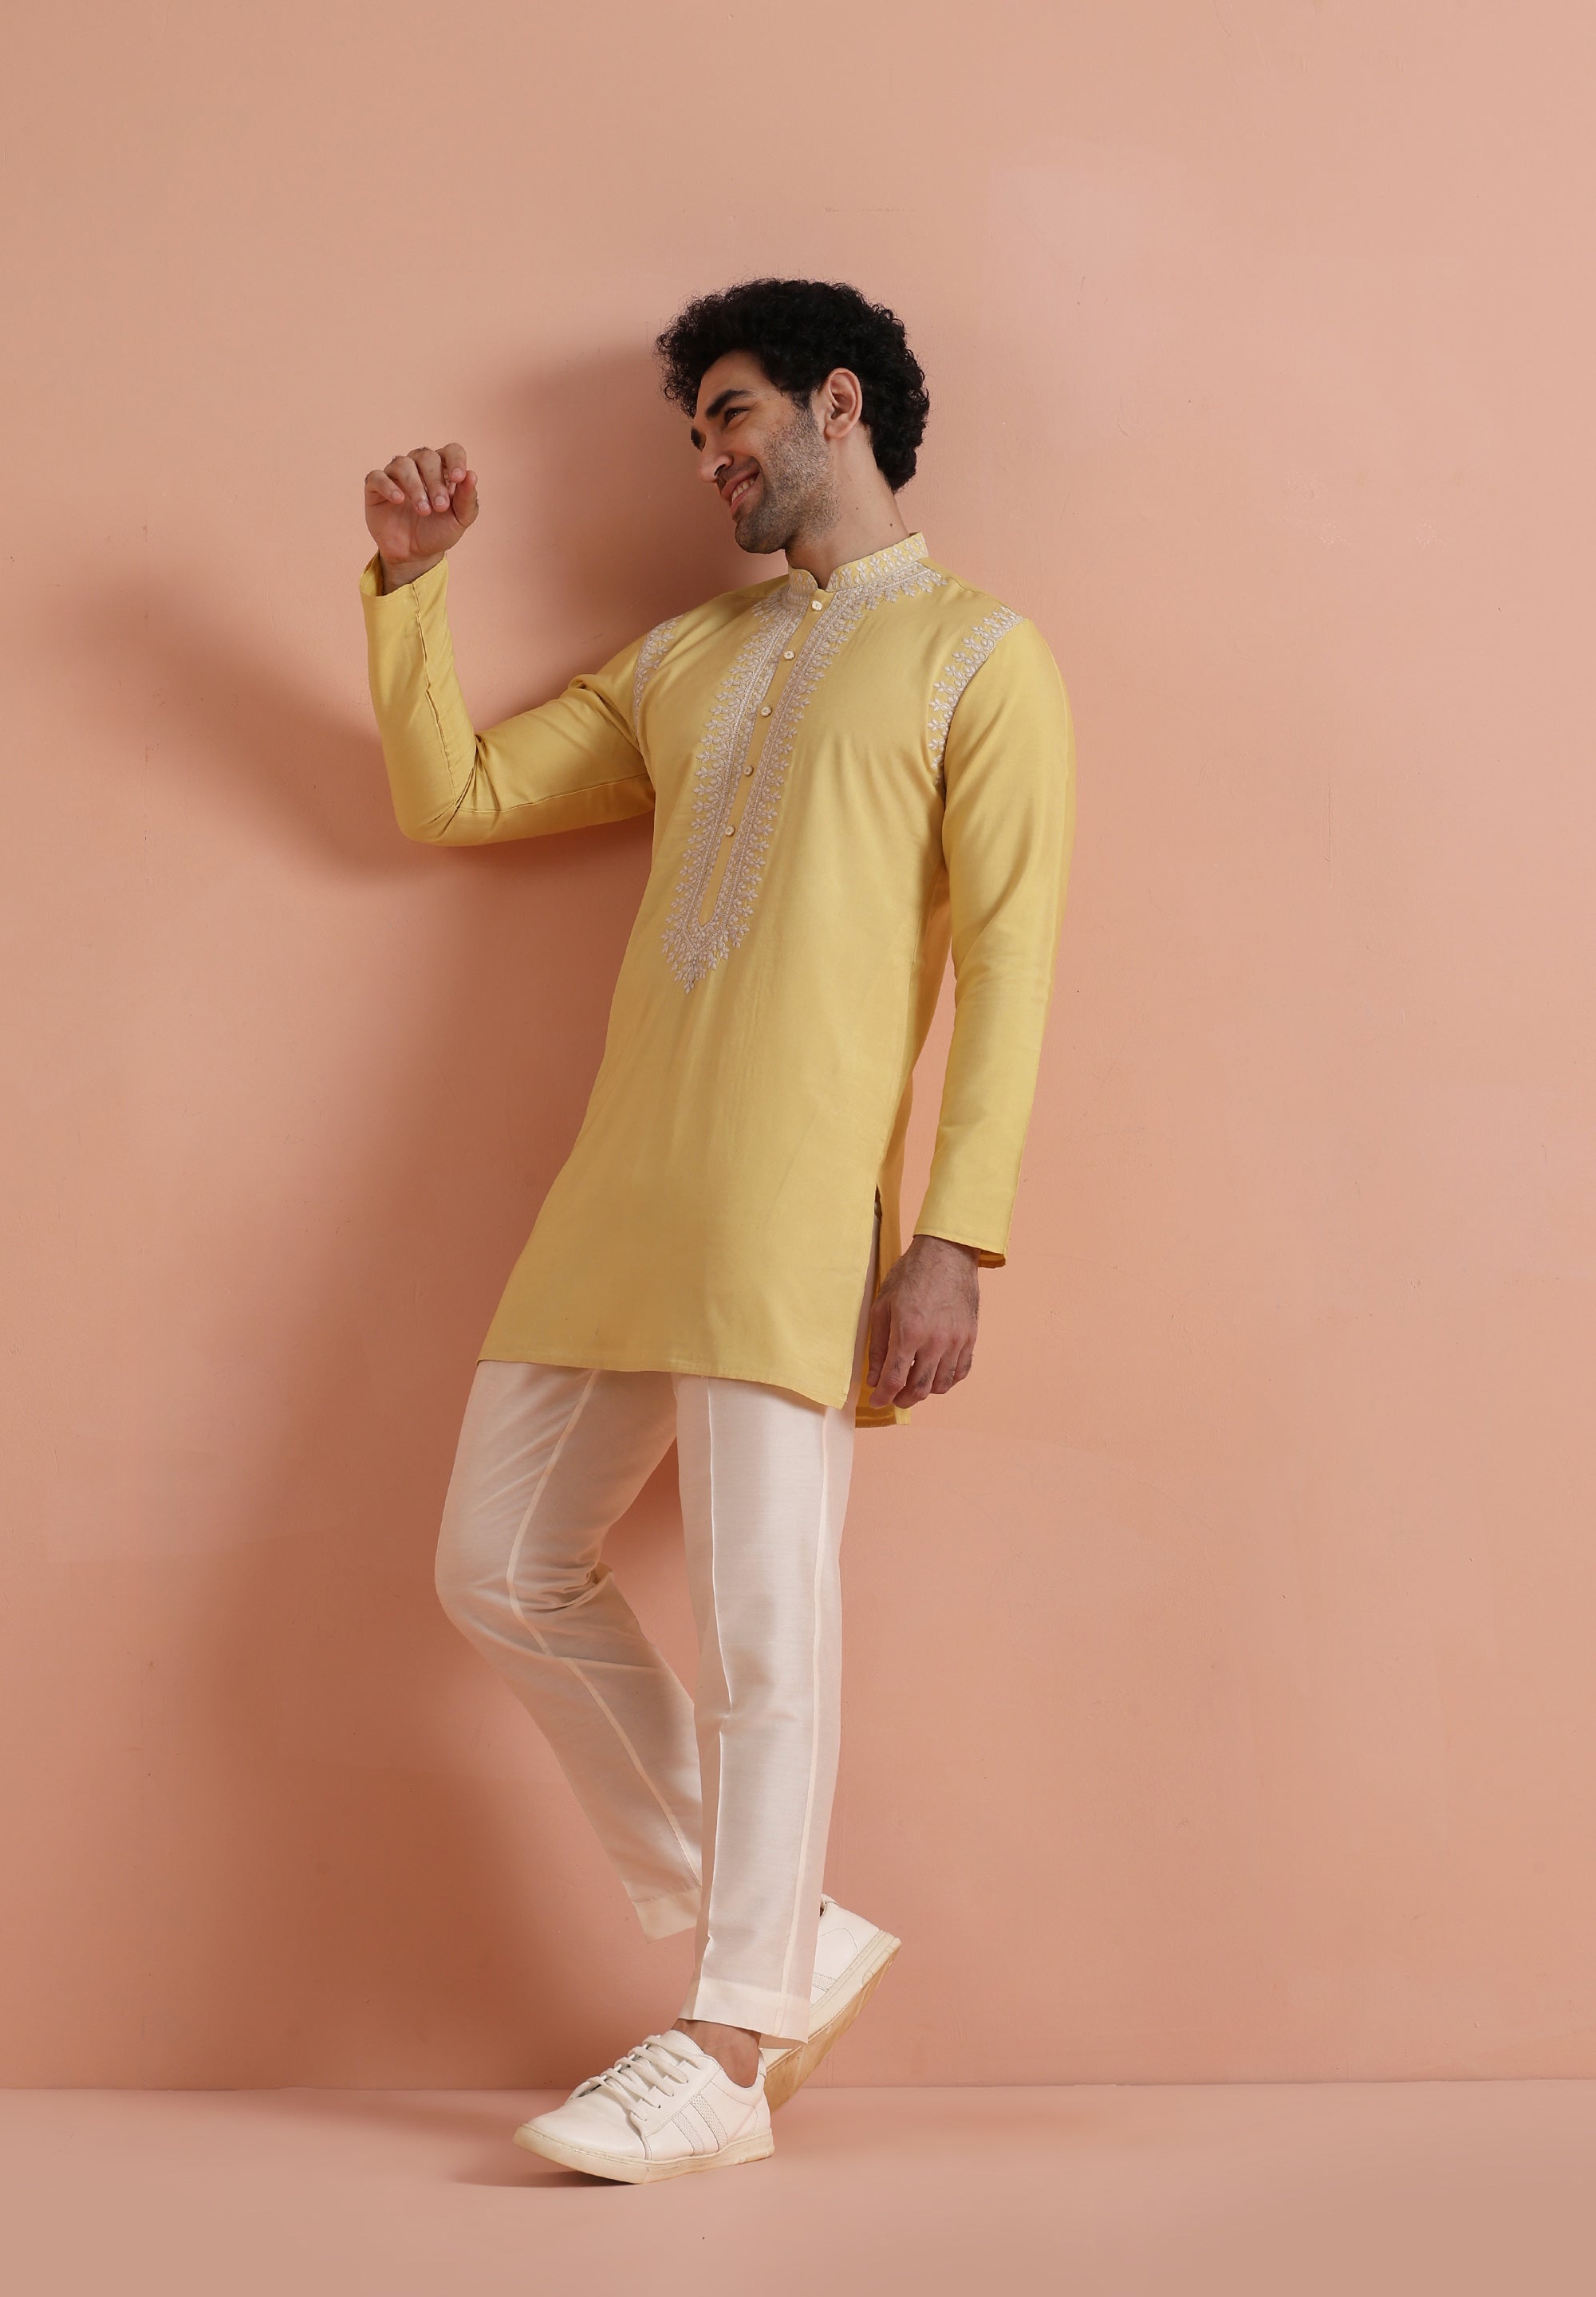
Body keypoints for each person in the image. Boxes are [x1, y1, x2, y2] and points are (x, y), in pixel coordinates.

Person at [357, 278, 1076, 2182]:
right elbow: (458, 795)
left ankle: (730, 2049)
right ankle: (784, 1938)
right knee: (498, 1563)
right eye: (696, 434)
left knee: (770, 1629)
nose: (710, 461)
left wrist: (956, 1236)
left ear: (839, 403)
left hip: (795, 1208)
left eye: (732, 417)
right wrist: (411, 592)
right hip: (620, 1195)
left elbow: (1011, 965)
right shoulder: (686, 657)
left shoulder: (979, 657)